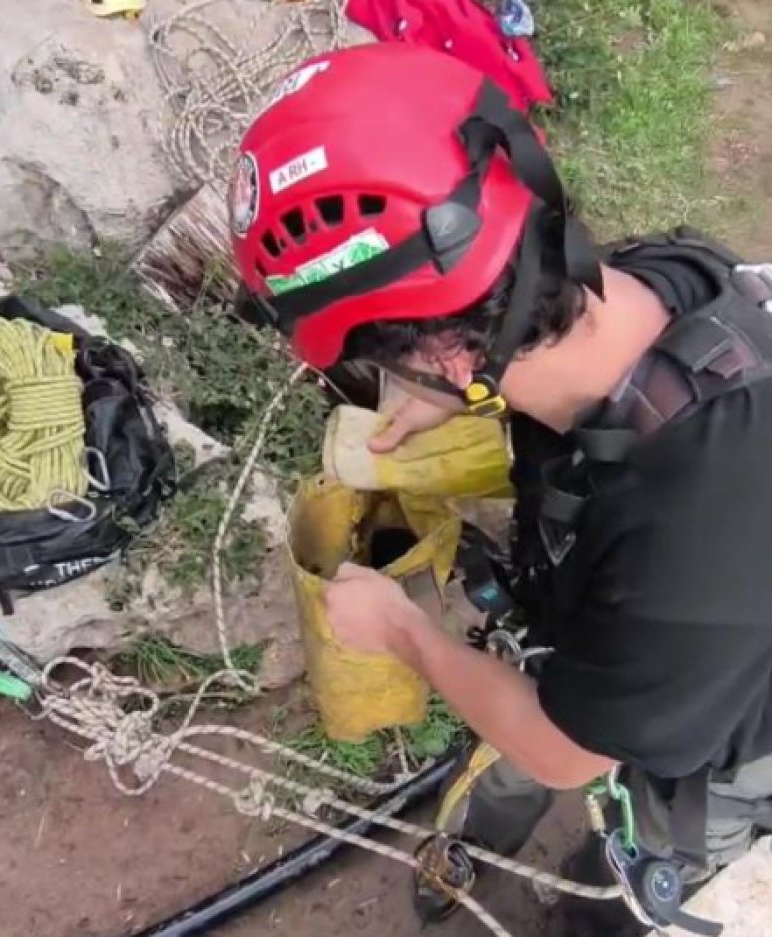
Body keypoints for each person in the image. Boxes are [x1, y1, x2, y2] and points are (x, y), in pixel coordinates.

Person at [227, 42, 772, 932]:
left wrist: (405, 631)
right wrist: (454, 391)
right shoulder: (662, 281)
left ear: (448, 351)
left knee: (641, 871)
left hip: (734, 734)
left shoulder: (692, 537)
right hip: (645, 635)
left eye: (375, 370)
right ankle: (485, 847)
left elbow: (569, 755)